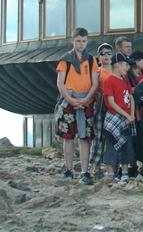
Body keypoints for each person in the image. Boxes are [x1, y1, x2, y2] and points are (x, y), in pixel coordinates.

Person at [55, 27, 99, 184]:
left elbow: (95, 83)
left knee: (85, 138)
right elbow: (60, 82)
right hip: (69, 100)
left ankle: (85, 171)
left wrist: (87, 99)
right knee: (68, 137)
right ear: (72, 41)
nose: (81, 44)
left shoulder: (91, 60)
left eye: (84, 41)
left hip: (86, 101)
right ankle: (68, 169)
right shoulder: (65, 60)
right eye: (78, 41)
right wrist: (70, 99)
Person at [103, 53, 135, 185]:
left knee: (127, 145)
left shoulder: (125, 80)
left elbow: (130, 97)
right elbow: (111, 102)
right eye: (125, 65)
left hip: (127, 117)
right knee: (112, 145)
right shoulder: (109, 80)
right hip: (115, 117)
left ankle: (124, 172)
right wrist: (127, 115)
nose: (128, 68)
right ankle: (110, 173)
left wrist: (131, 114)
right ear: (117, 65)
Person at [90, 42, 113, 178]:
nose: (106, 56)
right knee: (98, 136)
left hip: (113, 107)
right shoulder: (96, 72)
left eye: (108, 53)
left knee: (112, 137)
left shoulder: (116, 71)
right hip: (100, 106)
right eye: (102, 53)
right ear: (98, 57)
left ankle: (111, 166)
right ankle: (96, 166)